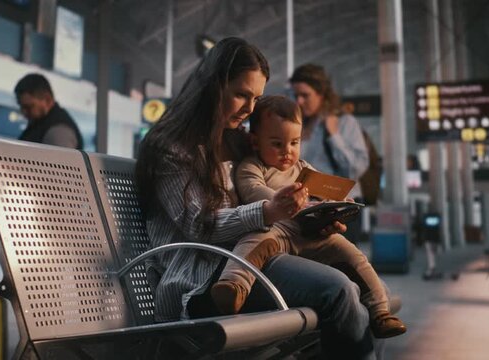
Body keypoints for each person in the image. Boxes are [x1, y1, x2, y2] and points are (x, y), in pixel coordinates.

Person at [136, 37, 381, 358]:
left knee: (371, 296)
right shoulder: (172, 147)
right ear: (212, 86)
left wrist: (310, 221)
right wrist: (268, 210)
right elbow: (200, 226)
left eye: (257, 98)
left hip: (254, 260)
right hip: (204, 279)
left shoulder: (240, 142)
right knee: (339, 291)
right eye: (241, 94)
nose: (251, 108)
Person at [211, 95, 406, 338]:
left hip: (312, 233)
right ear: (255, 142)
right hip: (278, 230)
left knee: (355, 257)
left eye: (294, 142)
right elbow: (253, 191)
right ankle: (234, 286)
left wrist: (339, 205)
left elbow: (327, 192)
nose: (287, 151)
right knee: (252, 241)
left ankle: (380, 312)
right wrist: (283, 203)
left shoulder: (304, 169)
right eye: (277, 144)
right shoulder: (252, 167)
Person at [290, 64, 369, 244]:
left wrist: (334, 136)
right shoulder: (298, 126)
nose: (299, 101)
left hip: (338, 209)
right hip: (308, 209)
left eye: (305, 95)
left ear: (321, 94)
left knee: (341, 266)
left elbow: (355, 169)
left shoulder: (344, 123)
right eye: (296, 95)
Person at [14, 73, 83, 149]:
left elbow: (60, 160)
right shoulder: (41, 124)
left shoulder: (58, 132)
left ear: (47, 100)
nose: (24, 112)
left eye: (29, 107)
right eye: (21, 106)